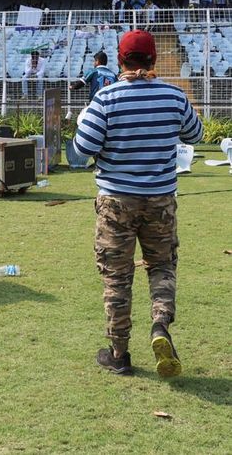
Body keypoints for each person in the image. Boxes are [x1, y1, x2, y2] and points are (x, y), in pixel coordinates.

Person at [73, 30, 203, 377]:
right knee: (161, 267)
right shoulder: (173, 96)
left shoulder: (106, 98)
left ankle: (119, 354)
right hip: (161, 200)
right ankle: (160, 327)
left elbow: (82, 149)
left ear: (120, 60)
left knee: (117, 277)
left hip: (116, 201)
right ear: (154, 60)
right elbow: (196, 135)